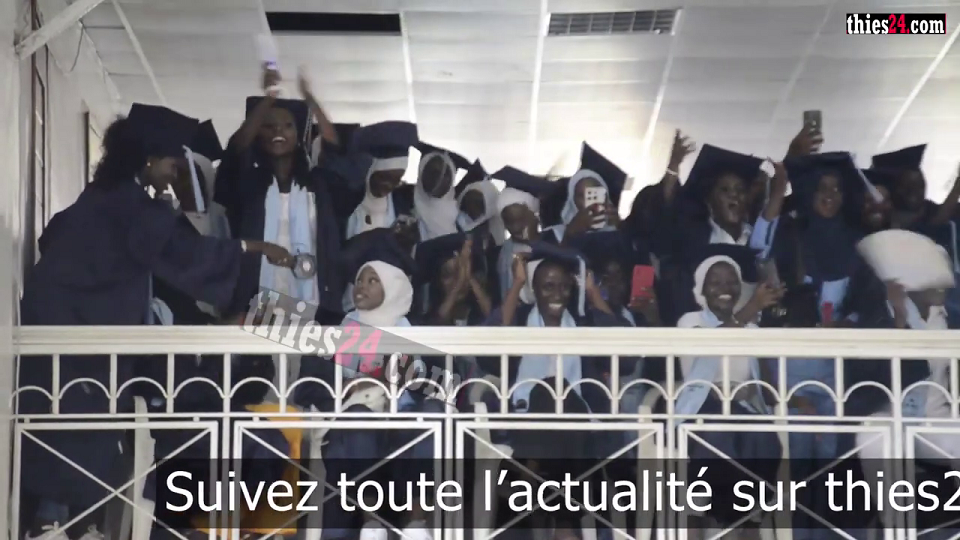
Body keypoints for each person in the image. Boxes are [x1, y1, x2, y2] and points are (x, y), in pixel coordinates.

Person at [17, 103, 291, 540]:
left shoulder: (105, 199)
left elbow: (54, 233)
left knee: (75, 423)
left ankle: (67, 521)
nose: (174, 176)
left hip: (68, 325)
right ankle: (59, 522)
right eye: (171, 165)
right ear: (147, 159)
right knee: (80, 425)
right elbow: (189, 257)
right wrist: (252, 248)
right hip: (87, 336)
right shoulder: (137, 211)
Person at [318, 241, 444, 540]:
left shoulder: (414, 331)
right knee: (359, 418)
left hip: (404, 420)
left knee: (431, 418)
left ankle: (416, 522)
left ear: (393, 287)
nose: (361, 287)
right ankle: (371, 521)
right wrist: (348, 388)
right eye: (360, 280)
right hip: (360, 425)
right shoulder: (339, 330)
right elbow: (316, 389)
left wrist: (398, 381)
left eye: (373, 281)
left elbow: (435, 385)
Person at [674, 246, 784, 528]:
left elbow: (769, 389)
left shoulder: (751, 328)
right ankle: (713, 518)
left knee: (765, 439)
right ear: (702, 289)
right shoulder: (690, 322)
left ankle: (745, 521)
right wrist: (752, 309)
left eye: (731, 281)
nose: (725, 288)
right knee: (718, 436)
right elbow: (711, 345)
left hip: (743, 410)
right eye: (716, 282)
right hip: (700, 412)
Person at [492, 166, 559, 301]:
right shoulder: (505, 253)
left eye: (521, 220)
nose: (516, 228)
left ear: (535, 215)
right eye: (510, 222)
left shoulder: (555, 240)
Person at [344, 121, 419, 240]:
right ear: (371, 172)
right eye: (384, 177)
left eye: (396, 180)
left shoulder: (401, 207)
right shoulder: (347, 204)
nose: (389, 185)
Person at [413, 142, 470, 241]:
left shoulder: (460, 218)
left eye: (446, 175)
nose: (438, 179)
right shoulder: (402, 203)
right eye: (433, 173)